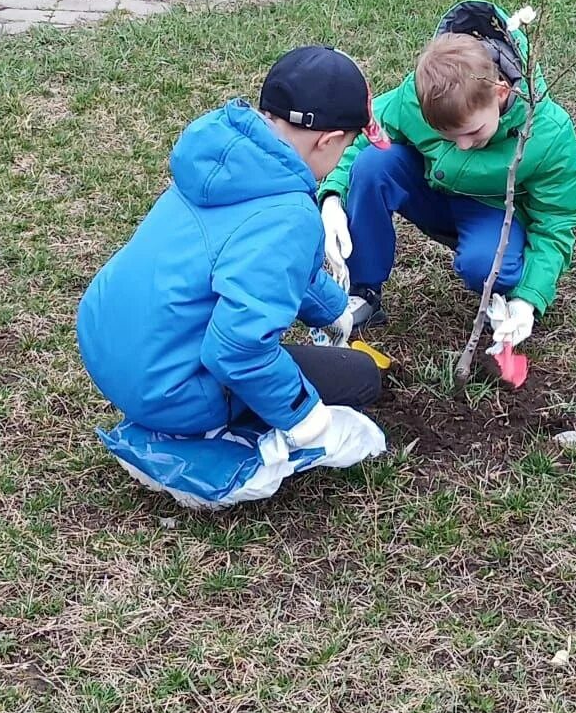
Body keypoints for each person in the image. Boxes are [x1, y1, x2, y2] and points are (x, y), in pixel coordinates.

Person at [77, 46, 388, 456]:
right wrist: (307, 421)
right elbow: (237, 351)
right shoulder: (289, 215)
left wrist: (334, 312)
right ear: (328, 141)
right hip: (168, 391)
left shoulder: (227, 159)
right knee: (360, 377)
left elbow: (274, 265)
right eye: (347, 146)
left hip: (106, 345)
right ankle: (205, 434)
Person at [320, 0, 576, 349]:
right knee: (373, 164)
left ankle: (504, 288)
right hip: (429, 193)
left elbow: (557, 221)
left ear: (501, 91)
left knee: (485, 266)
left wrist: (528, 298)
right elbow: (365, 135)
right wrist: (332, 197)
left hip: (490, 211)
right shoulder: (421, 95)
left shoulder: (548, 133)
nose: (462, 146)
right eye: (448, 136)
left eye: (474, 133)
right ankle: (364, 291)